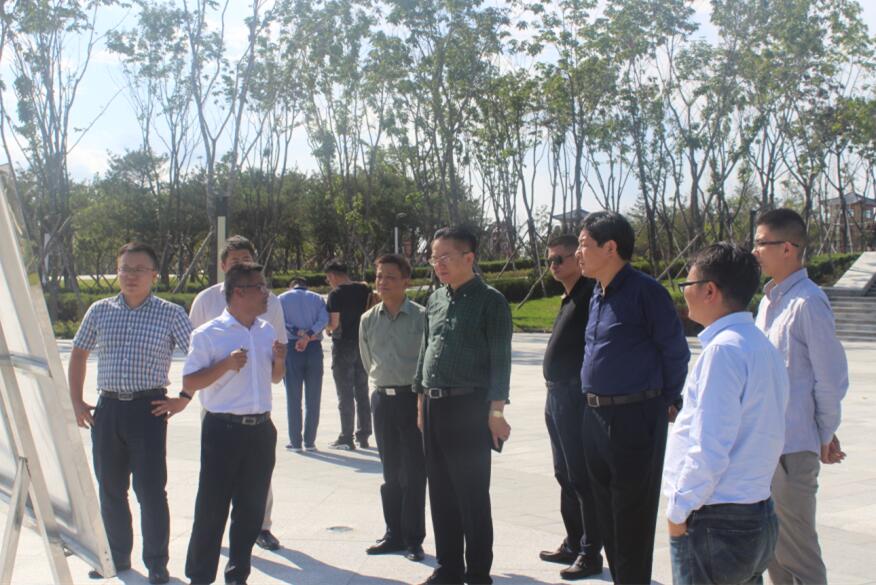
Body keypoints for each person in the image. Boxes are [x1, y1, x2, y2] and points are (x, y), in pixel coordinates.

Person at [575, 211, 690, 584]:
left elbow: (676, 351)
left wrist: (666, 399)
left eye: (583, 245)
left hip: (635, 417)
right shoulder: (597, 293)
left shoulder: (646, 292)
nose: (577, 253)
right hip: (594, 417)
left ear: (610, 248)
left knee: (632, 518)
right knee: (607, 514)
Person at [68, 242, 192, 585]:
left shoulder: (170, 314)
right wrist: (76, 401)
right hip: (107, 410)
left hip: (148, 409)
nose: (131, 276)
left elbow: (198, 356)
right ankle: (117, 555)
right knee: (110, 489)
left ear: (154, 275)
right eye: (125, 269)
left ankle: (156, 563)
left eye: (139, 269)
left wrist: (184, 397)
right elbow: (78, 353)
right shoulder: (100, 310)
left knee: (150, 491)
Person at [664, 243, 788, 585]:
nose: (684, 293)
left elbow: (709, 446)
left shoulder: (722, 351)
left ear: (709, 290)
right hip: (757, 512)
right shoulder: (760, 346)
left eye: (687, 284)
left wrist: (679, 510)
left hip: (718, 519)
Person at [753, 208, 849, 584]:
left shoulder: (808, 302)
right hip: (767, 445)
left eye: (762, 243)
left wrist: (823, 433)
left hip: (791, 449)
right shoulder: (769, 302)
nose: (755, 251)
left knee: (798, 553)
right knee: (774, 551)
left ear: (788, 248)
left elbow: (830, 378)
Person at [414, 226, 513, 585]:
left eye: (445, 257)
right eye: (433, 258)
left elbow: (500, 361)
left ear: (469, 257)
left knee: (471, 495)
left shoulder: (491, 301)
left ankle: (478, 573)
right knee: (440, 492)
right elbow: (425, 352)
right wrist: (421, 404)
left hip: (469, 408)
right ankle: (449, 568)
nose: (437, 264)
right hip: (434, 407)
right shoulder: (435, 299)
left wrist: (496, 413)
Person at [182, 263, 287, 585]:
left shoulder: (266, 331)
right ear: (239, 292)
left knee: (251, 509)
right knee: (212, 508)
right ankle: (200, 577)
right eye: (260, 287)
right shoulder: (208, 333)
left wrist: (280, 360)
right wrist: (226, 365)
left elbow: (275, 378)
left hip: (261, 430)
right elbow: (190, 382)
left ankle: (238, 575)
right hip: (223, 430)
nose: (266, 293)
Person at [538, 234, 604, 581]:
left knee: (581, 476)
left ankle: (591, 552)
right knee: (563, 474)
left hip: (575, 395)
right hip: (556, 396)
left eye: (559, 259)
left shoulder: (590, 295)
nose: (553, 265)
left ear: (577, 258)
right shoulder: (569, 297)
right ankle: (573, 540)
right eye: (549, 260)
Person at [359, 254, 428, 562]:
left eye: (390, 276)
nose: (382, 282)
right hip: (382, 400)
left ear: (405, 281)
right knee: (390, 471)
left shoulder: (421, 317)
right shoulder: (368, 319)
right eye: (379, 276)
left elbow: (427, 360)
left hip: (412, 399)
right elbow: (367, 360)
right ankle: (393, 534)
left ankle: (414, 539)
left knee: (413, 472)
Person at [324, 260, 373, 450]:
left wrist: (327, 329)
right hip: (363, 344)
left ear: (333, 275)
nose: (329, 282)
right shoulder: (364, 289)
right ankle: (364, 435)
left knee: (345, 393)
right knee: (362, 391)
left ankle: (346, 437)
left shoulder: (336, 294)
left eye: (328, 278)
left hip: (343, 345)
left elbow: (334, 323)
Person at [278, 277, 329, 451]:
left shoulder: (282, 299)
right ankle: (310, 441)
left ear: (291, 286)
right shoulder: (317, 298)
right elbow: (324, 320)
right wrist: (308, 335)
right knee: (313, 397)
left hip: (292, 348)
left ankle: (295, 442)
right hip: (314, 347)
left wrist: (299, 333)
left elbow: (280, 321)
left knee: (293, 397)